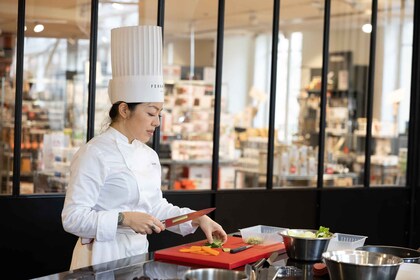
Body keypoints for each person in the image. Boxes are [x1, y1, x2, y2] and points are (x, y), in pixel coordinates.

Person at [61, 25, 227, 270]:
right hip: (98, 258)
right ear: (125, 109)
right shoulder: (93, 153)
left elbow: (155, 207)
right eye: (151, 112)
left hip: (138, 256)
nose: (157, 122)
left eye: (160, 113)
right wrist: (124, 218)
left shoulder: (148, 155)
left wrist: (197, 218)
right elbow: (72, 218)